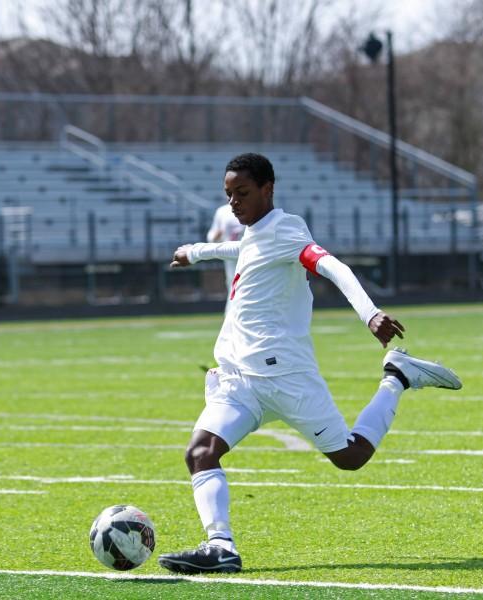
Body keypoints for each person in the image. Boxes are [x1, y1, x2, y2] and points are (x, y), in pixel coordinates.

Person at [157, 153, 462, 574]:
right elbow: (241, 247)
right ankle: (221, 546)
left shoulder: (286, 228)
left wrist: (369, 313)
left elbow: (331, 266)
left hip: (286, 376)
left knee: (350, 458)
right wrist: (196, 252)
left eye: (242, 193)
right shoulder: (255, 235)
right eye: (229, 196)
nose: (234, 204)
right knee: (200, 452)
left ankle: (397, 377)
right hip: (241, 382)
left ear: (268, 189)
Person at [206, 202, 244, 294]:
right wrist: (215, 236)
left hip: (249, 253)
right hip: (229, 254)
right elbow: (211, 235)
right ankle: (233, 307)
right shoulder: (222, 211)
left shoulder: (252, 208)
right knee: (232, 282)